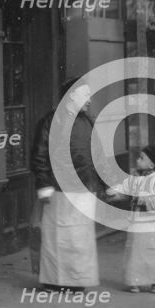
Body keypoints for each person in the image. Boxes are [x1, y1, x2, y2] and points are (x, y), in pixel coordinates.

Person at [31, 78, 101, 292]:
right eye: (85, 95)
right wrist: (43, 183)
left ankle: (77, 281)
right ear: (71, 95)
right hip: (59, 189)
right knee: (57, 238)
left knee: (80, 239)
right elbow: (39, 155)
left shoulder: (87, 121)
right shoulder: (51, 121)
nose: (89, 100)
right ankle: (54, 281)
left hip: (85, 188)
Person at [106, 145, 155, 293]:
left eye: (141, 158)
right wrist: (114, 194)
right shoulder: (134, 179)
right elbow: (125, 192)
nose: (138, 160)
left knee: (153, 253)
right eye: (138, 157)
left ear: (152, 164)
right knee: (135, 253)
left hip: (153, 225)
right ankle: (134, 281)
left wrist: (146, 200)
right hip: (137, 224)